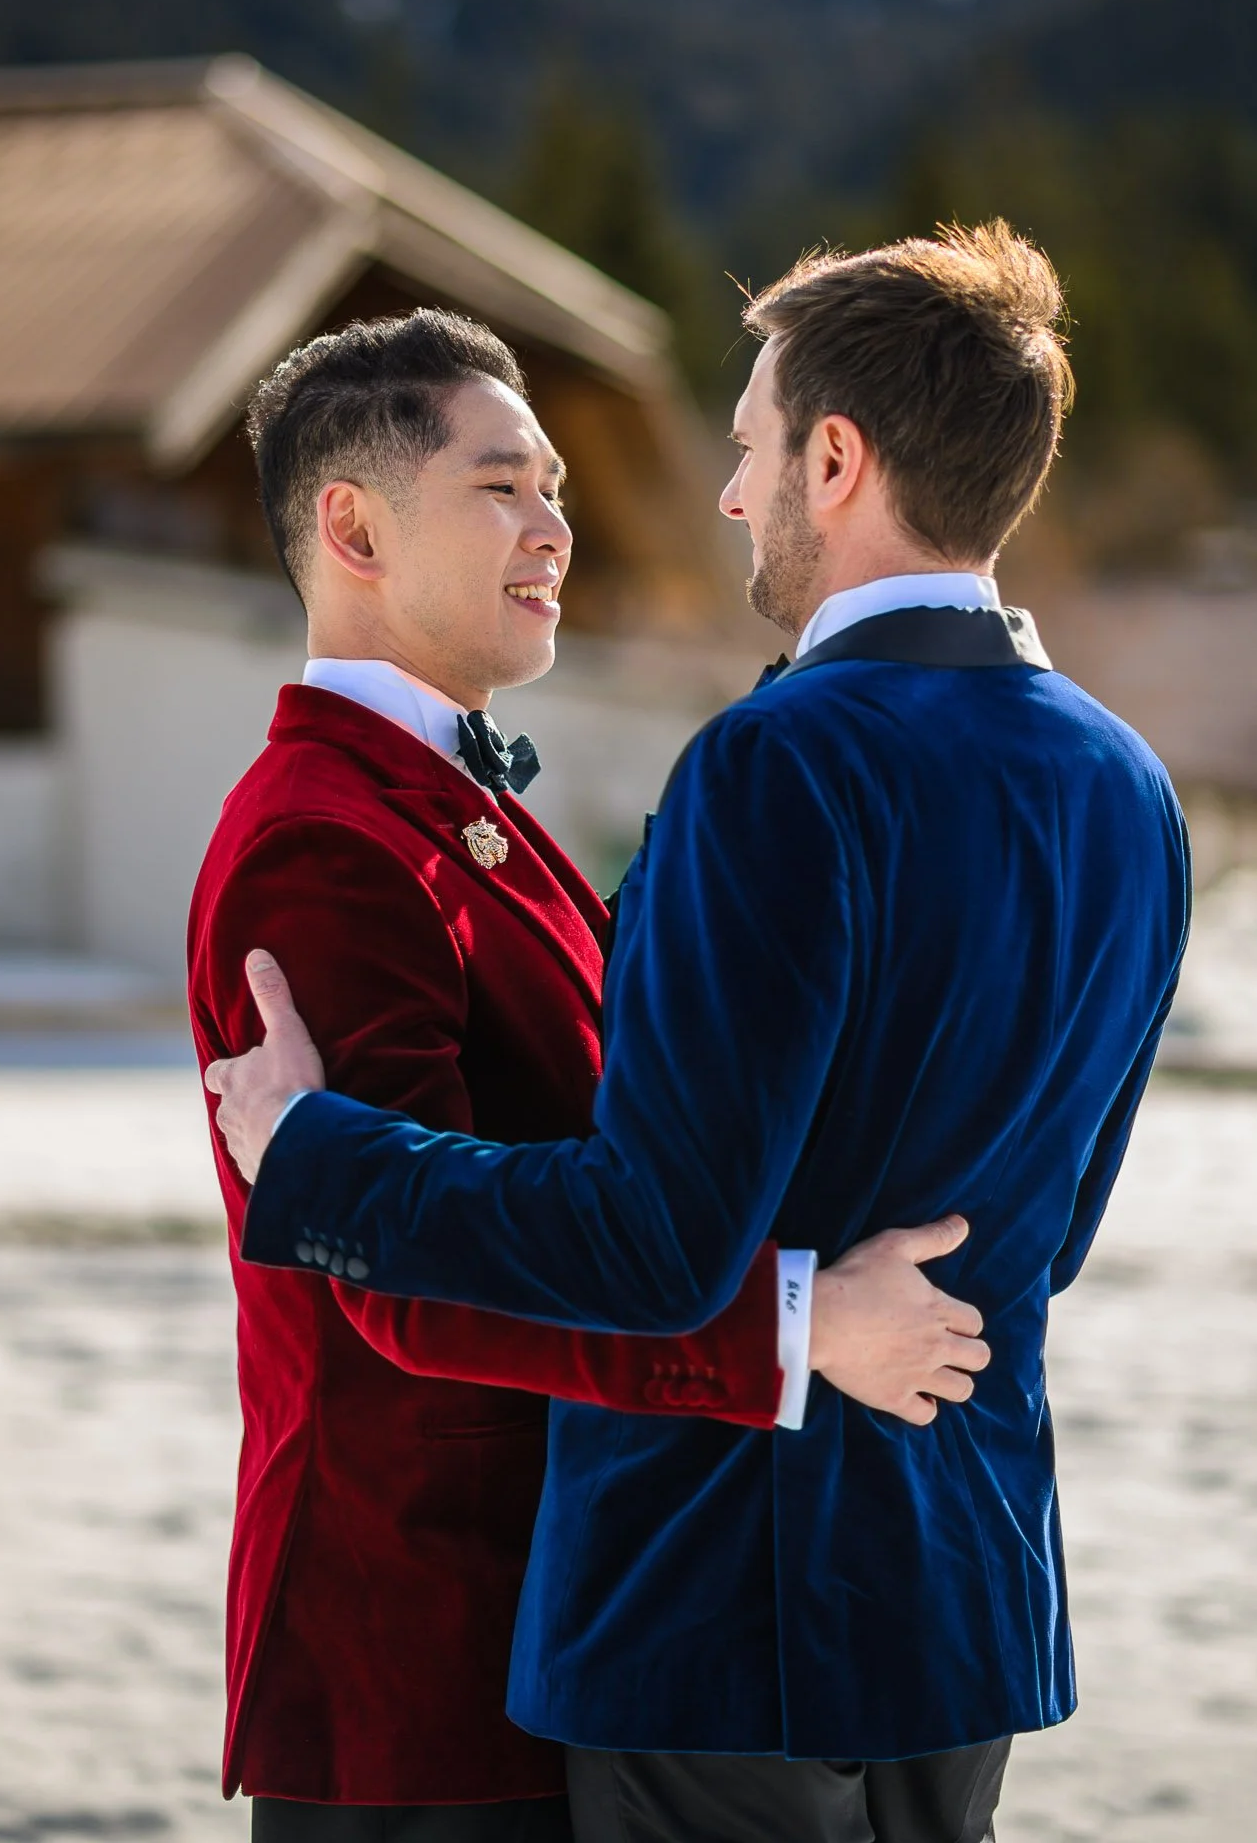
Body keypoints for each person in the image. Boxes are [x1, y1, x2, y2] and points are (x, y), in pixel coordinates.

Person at [208, 224, 1192, 1843]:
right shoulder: (1129, 785)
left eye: (745, 448)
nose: (727, 496)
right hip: (963, 1596)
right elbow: (1054, 1229)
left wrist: (320, 1161)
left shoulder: (775, 761)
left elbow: (654, 1240)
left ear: (834, 456)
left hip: (717, 1606)